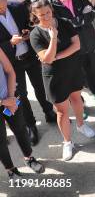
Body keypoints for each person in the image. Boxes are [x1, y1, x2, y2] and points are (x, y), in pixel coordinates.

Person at [29, 0, 95, 161]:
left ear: (51, 9)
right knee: (62, 111)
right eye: (42, 15)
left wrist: (56, 56)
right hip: (54, 77)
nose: (46, 17)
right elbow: (47, 58)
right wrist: (53, 38)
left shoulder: (64, 22)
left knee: (77, 99)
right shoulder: (35, 34)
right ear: (35, 15)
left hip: (73, 70)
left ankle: (81, 125)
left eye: (48, 12)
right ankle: (67, 142)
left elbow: (77, 45)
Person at [0, 0, 56, 146]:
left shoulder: (17, 7)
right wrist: (10, 43)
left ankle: (49, 112)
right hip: (12, 63)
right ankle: (31, 125)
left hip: (31, 56)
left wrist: (28, 31)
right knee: (22, 96)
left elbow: (33, 24)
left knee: (41, 86)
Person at [0, 47, 45, 178]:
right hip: (5, 102)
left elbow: (10, 71)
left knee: (21, 128)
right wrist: (3, 102)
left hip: (11, 97)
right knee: (1, 140)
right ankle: (11, 169)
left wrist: (12, 98)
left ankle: (29, 158)